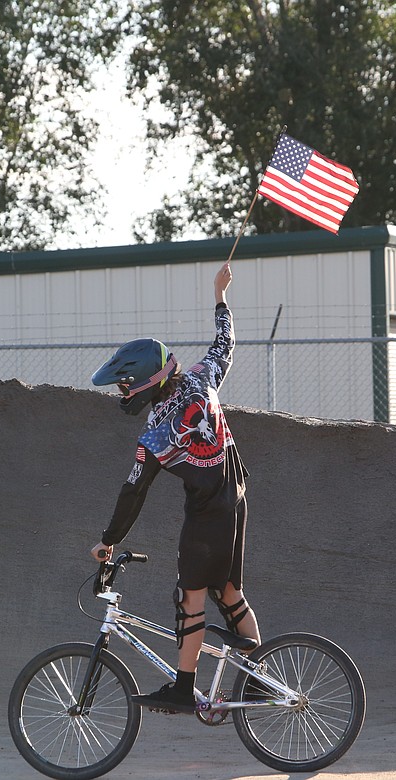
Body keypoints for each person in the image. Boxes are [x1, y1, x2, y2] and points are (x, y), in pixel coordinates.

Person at [89, 260, 261, 713]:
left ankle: (185, 689)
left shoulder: (155, 435)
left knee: (190, 598)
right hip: (236, 496)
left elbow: (133, 493)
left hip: (207, 513)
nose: (122, 392)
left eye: (126, 385)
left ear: (150, 381)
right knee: (228, 592)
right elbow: (225, 343)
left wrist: (109, 541)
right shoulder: (202, 379)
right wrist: (220, 296)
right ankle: (259, 677)